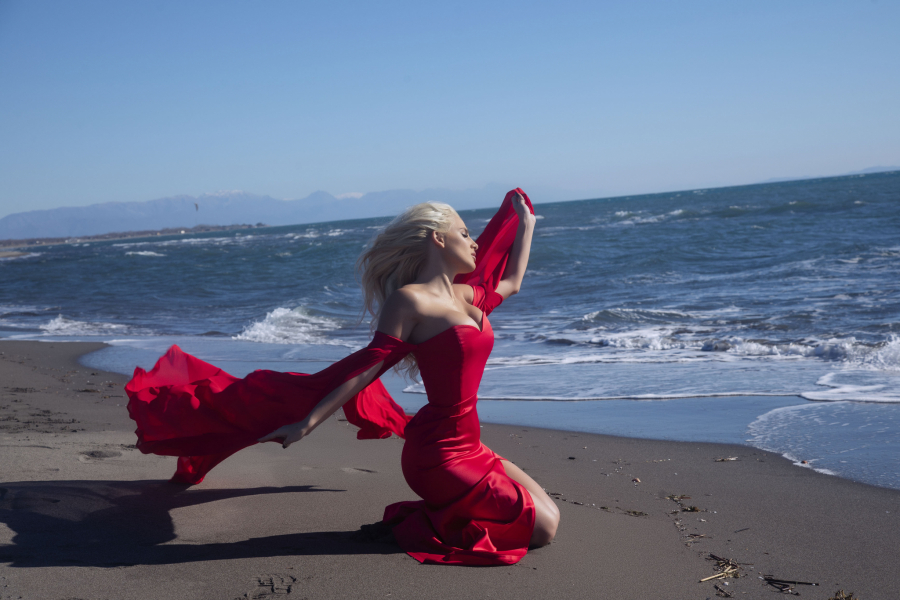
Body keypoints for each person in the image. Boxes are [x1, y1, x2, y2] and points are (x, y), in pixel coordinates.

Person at [125, 189, 558, 566]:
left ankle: (437, 515)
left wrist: (527, 224)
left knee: (549, 511)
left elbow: (512, 282)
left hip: (471, 444)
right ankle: (429, 519)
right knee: (543, 528)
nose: (476, 242)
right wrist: (307, 422)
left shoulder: (467, 297)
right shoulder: (409, 302)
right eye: (465, 233)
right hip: (438, 455)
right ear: (438, 239)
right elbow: (368, 366)